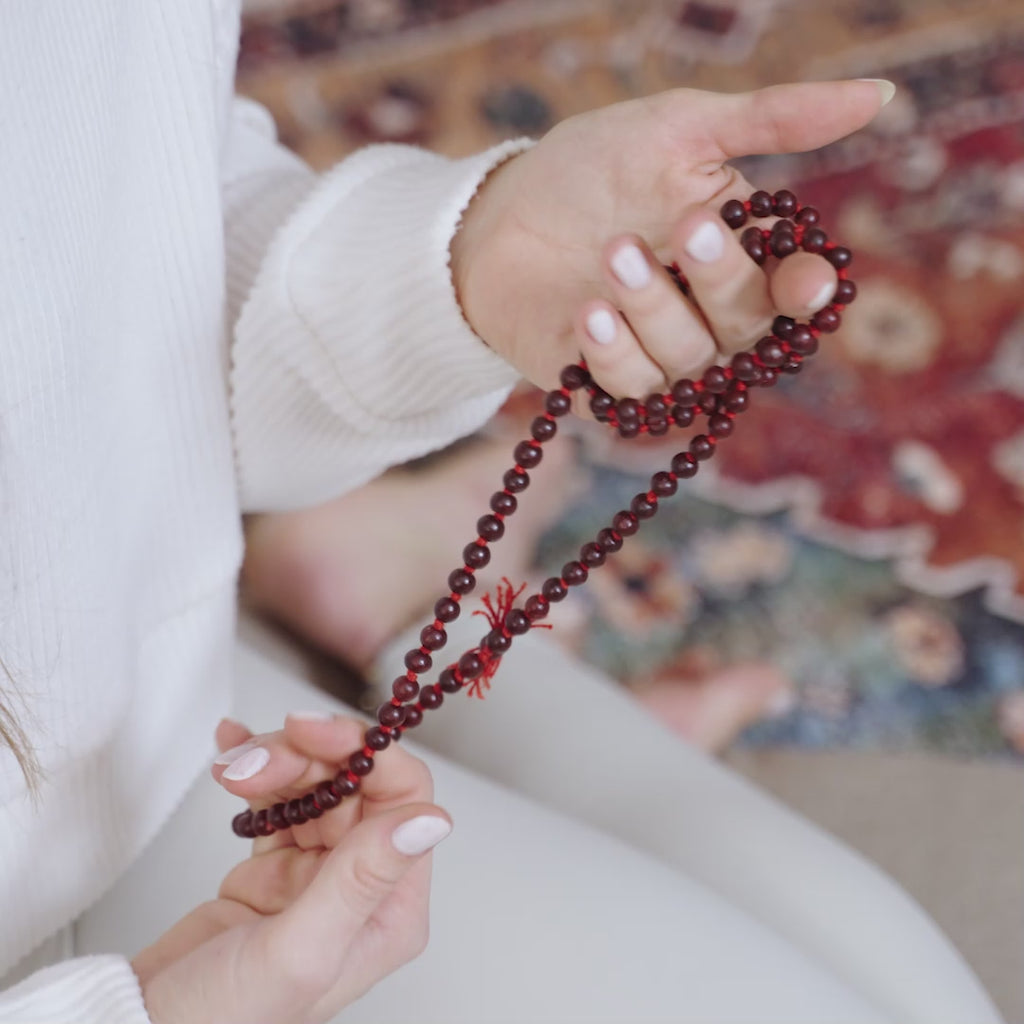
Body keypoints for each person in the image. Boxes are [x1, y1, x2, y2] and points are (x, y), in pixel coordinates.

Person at [0, 2, 1005, 1021]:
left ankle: (436, 612)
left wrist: (457, 269)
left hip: (130, 742)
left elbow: (122, 231)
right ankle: (440, 613)